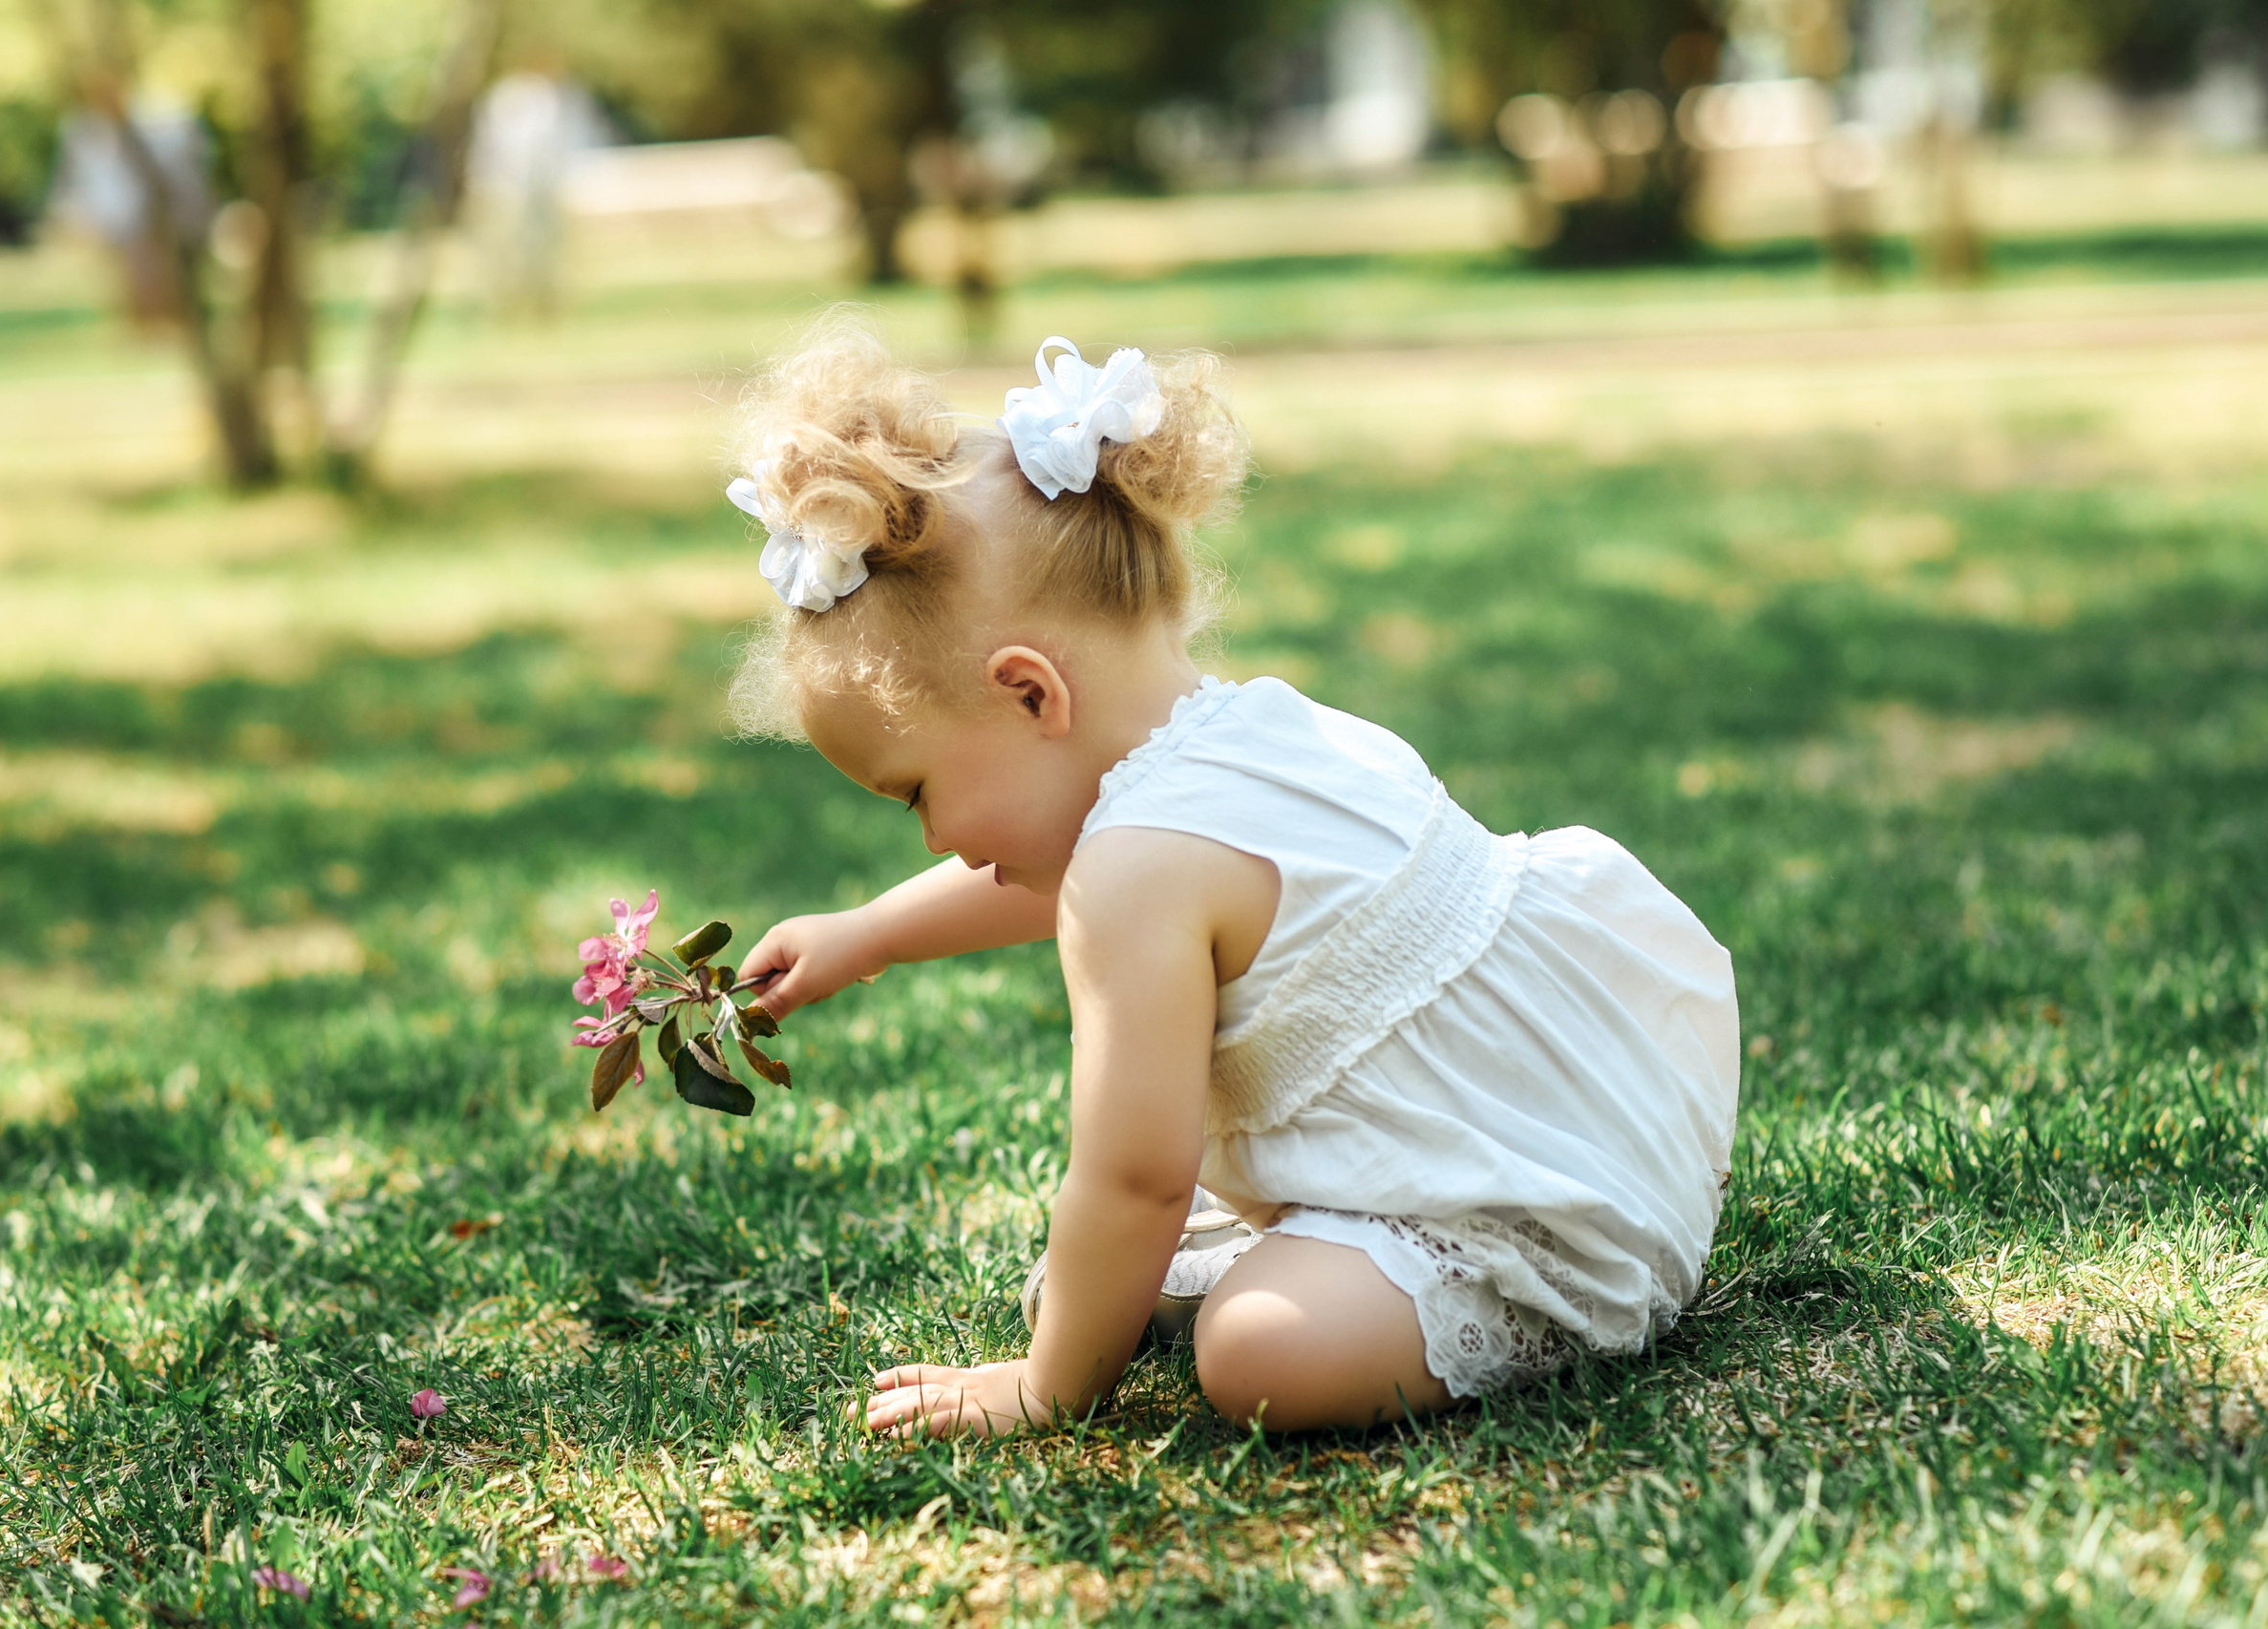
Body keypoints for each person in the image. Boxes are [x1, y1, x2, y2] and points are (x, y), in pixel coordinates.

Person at [731, 322, 1740, 1436]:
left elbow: (1134, 1183)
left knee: (1257, 1348)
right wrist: (869, 932)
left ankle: (1529, 1301)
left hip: (1511, 1199)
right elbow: (1052, 872)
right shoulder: (1241, 729)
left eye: (914, 791)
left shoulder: (1135, 869)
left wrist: (1045, 1381)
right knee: (1205, 1282)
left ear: (1029, 695)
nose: (929, 842)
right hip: (1582, 1113)